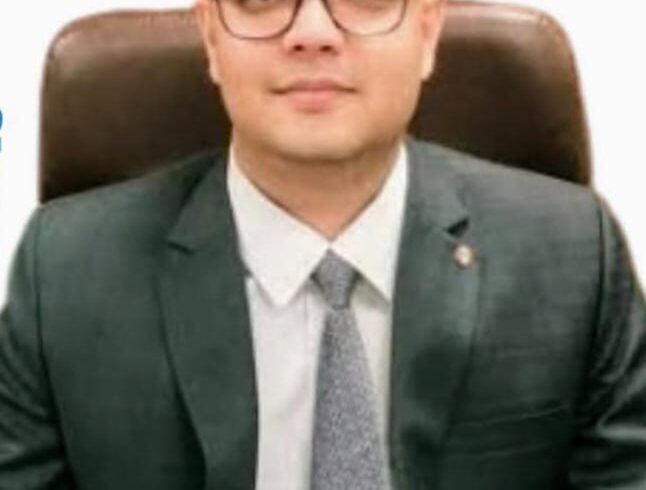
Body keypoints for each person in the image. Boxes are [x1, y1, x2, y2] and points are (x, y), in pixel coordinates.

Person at [1, 0, 645, 487]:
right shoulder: (62, 277)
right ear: (211, 35)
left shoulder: (576, 259)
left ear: (427, 30)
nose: (312, 31)